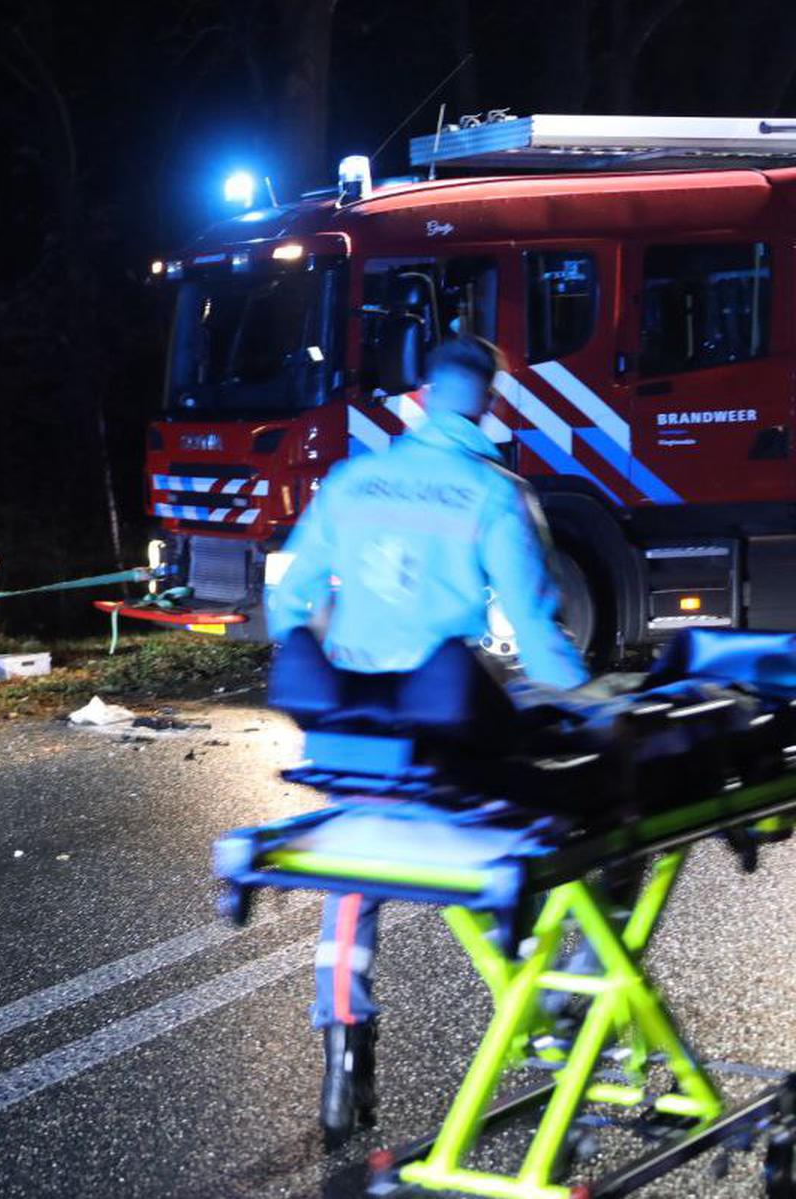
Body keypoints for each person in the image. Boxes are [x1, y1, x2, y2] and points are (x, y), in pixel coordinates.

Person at [266, 336, 589, 1147]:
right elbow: (538, 626)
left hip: (358, 728)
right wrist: (586, 709)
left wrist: (332, 655)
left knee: (356, 876)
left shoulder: (347, 480)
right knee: (540, 845)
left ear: (419, 397)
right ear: (490, 402)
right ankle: (549, 1019)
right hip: (448, 732)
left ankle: (343, 1057)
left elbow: (292, 593)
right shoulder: (493, 492)